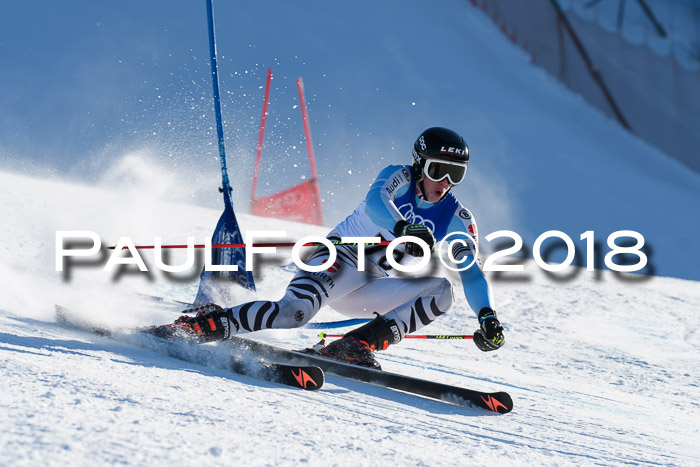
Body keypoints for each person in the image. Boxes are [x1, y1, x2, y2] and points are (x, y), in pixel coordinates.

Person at [155, 127, 505, 369]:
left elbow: (470, 271)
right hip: (337, 259)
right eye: (438, 170)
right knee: (293, 315)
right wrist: (402, 227)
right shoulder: (399, 177)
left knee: (442, 291)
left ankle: (356, 345)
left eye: (455, 174)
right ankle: (205, 325)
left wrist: (487, 316)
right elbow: (374, 203)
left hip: (367, 285)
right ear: (419, 164)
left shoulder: (456, 217)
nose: (444, 183)